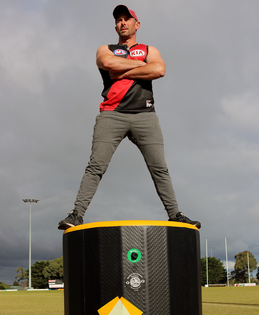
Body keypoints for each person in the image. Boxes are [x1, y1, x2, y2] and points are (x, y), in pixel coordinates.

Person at [58, 5, 201, 230]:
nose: (122, 23)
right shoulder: (106, 48)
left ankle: (175, 214)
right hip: (111, 114)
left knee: (159, 167)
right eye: (119, 20)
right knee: (96, 166)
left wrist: (126, 70)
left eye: (127, 19)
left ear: (137, 24)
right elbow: (108, 64)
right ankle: (76, 214)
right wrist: (144, 67)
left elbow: (160, 70)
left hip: (145, 115)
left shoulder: (149, 49)